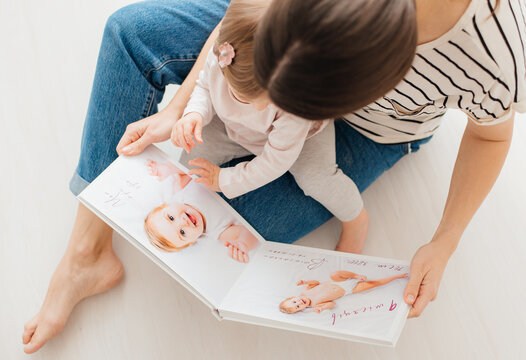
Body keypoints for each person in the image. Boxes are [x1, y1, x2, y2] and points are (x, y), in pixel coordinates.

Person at [22, 0, 525, 354]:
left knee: (226, 228)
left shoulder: (498, 54)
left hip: (358, 130)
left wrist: (445, 240)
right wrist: (179, 105)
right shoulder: (270, 40)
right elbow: (232, 29)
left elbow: (491, 136)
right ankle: (86, 253)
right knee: (132, 31)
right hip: (262, 54)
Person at [172, 0, 366, 253]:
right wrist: (194, 114)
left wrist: (226, 180)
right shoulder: (223, 54)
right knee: (190, 161)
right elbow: (204, 86)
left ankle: (357, 220)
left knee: (316, 178)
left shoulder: (295, 105)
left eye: (253, 100)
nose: (241, 101)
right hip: (232, 126)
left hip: (300, 140)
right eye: (234, 91)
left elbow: (276, 161)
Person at [144, 159, 259, 262]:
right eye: (182, 232)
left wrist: (169, 169)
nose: (183, 222)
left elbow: (185, 169)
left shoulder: (180, 192)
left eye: (171, 218)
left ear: (166, 205)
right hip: (246, 188)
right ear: (192, 241)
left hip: (223, 166)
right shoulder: (216, 230)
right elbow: (247, 233)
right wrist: (244, 244)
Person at [279, 271, 408, 314]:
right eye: (297, 307)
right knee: (373, 284)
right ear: (301, 310)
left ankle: (355, 275)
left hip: (338, 282)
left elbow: (315, 282)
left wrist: (305, 282)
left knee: (334, 274)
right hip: (347, 290)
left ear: (293, 297)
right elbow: (332, 304)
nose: (299, 303)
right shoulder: (314, 305)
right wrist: (323, 308)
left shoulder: (304, 291)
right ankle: (397, 277)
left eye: (294, 301)